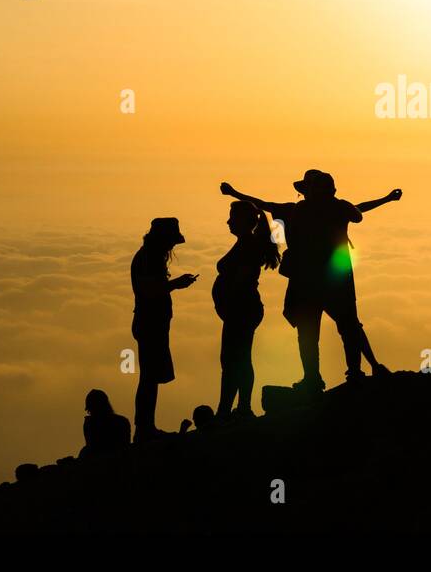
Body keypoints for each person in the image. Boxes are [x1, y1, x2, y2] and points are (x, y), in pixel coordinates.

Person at [221, 172, 401, 392]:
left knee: (318, 331)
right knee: (343, 327)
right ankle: (345, 373)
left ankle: (318, 378)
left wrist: (234, 192)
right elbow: (357, 211)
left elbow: (265, 204)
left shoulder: (300, 210)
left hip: (308, 281)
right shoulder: (335, 208)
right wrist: (385, 199)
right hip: (333, 280)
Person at [130, 217, 198, 441]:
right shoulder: (147, 259)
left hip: (152, 323)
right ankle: (144, 428)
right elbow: (149, 290)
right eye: (170, 241)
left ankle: (146, 426)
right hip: (150, 324)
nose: (172, 247)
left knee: (150, 377)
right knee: (149, 378)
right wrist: (175, 284)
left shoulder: (148, 256)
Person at [212, 200, 279, 420]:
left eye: (232, 218)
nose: (228, 221)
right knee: (235, 359)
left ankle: (234, 409)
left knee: (234, 360)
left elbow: (242, 280)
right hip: (240, 309)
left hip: (241, 309)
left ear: (242, 221)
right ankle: (236, 407)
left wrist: (227, 303)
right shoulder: (246, 242)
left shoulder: (249, 245)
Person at [80, 389, 130, 457]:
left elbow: (92, 446)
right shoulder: (122, 421)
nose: (90, 413)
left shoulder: (90, 424)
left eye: (91, 410)